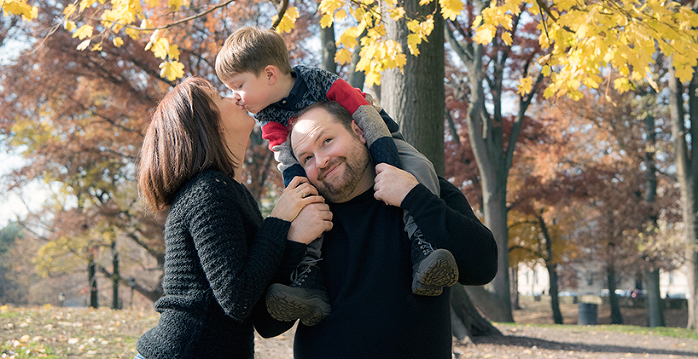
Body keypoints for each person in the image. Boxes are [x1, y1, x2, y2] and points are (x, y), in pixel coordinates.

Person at [215, 27, 459, 326]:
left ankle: (423, 244)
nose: (235, 97)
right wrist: (303, 199)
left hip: (378, 138)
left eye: (237, 85)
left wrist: (388, 165)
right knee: (308, 211)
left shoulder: (319, 81)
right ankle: (308, 278)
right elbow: (288, 163)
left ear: (269, 74)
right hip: (320, 169)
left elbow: (366, 118)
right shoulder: (268, 118)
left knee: (419, 167)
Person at [269, 100, 498, 359]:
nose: (321, 161)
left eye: (327, 141)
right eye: (307, 158)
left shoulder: (423, 188)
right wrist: (295, 241)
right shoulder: (301, 219)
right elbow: (268, 324)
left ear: (359, 131)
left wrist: (414, 197)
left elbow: (483, 267)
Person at [133, 77, 333, 359]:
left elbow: (263, 319)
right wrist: (278, 220)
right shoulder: (207, 192)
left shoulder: (233, 193)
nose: (236, 98)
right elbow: (237, 299)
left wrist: (295, 239)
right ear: (207, 125)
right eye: (220, 97)